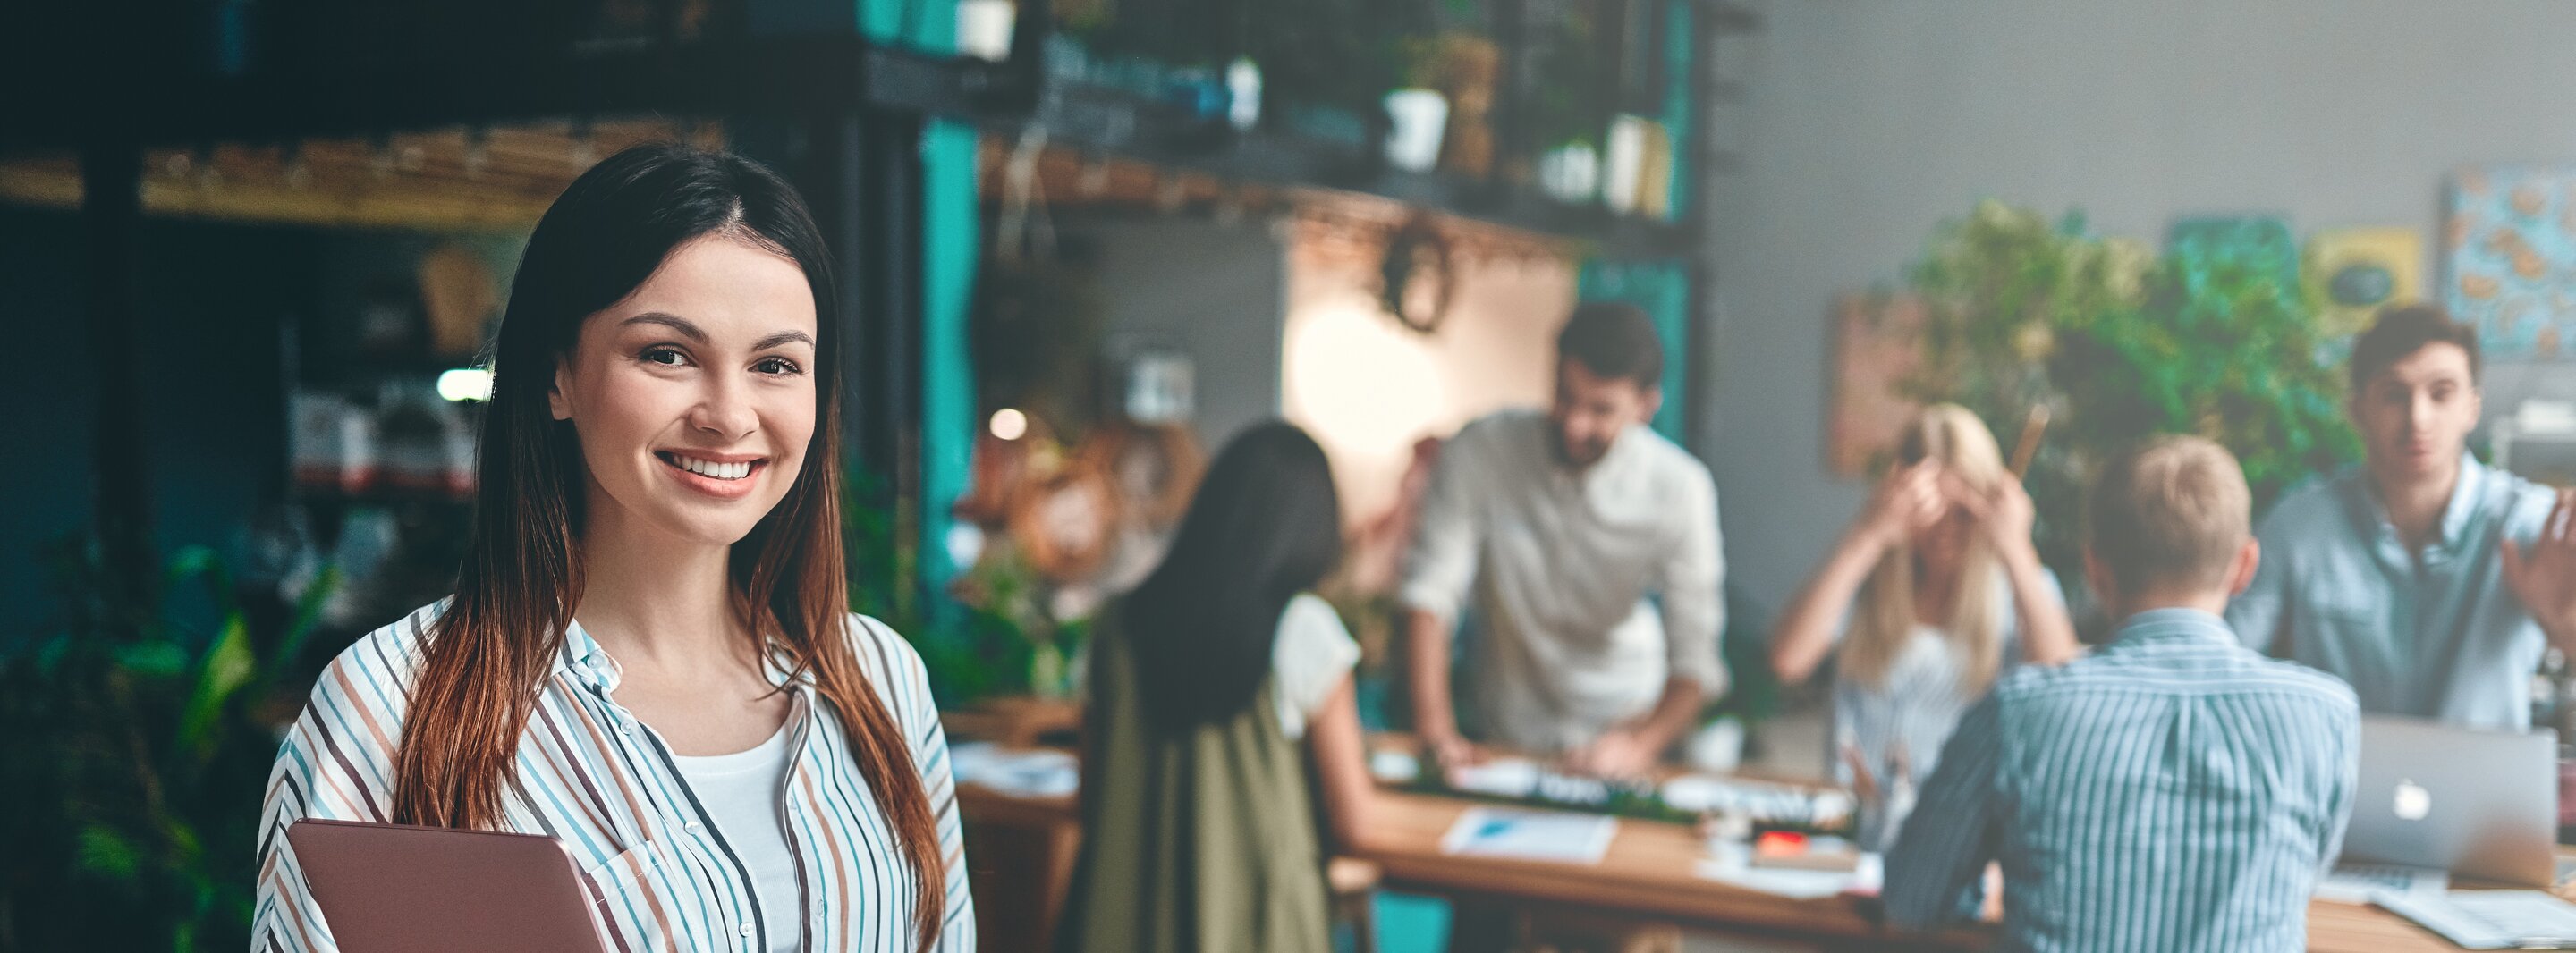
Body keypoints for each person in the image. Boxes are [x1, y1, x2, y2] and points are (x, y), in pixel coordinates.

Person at [251, 144, 972, 951]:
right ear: (557, 375)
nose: (730, 416)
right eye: (667, 354)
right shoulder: (392, 706)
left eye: (775, 364)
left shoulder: (880, 681)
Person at [1885, 437, 2358, 952]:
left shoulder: (2017, 712)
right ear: (2244, 566)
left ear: (2095, 569)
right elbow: (2299, 879)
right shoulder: (2325, 716)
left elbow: (1912, 902)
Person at [1057, 421, 1374, 953]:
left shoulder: (1118, 624)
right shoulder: (1302, 627)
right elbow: (1354, 823)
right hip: (1253, 927)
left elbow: (1093, 795)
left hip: (1118, 923)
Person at [1402, 301, 1725, 776]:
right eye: (1564, 396)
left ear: (1644, 407)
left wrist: (1641, 745)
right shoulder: (1482, 450)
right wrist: (1436, 731)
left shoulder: (1681, 490)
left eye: (1600, 410)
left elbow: (1696, 658)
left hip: (1623, 723)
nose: (1574, 424)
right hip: (1506, 729)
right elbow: (1429, 594)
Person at [2226, 305, 2576, 730]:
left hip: (2483, 792)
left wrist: (2563, 628)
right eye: (2395, 394)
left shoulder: (2531, 525)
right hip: (2340, 788)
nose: (2418, 419)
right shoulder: (2297, 526)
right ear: (2358, 410)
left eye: (2441, 393)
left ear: (2472, 408)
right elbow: (2227, 662)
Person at [1766, 404, 2077, 839]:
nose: (1946, 531)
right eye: (1931, 514)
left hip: (1963, 844)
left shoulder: (2020, 590)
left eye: (1963, 514)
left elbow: (2063, 685)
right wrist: (1868, 535)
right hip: (1849, 833)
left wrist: (2017, 551)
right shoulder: (1867, 576)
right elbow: (1788, 660)